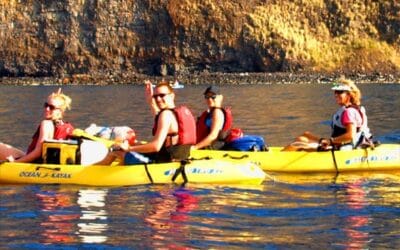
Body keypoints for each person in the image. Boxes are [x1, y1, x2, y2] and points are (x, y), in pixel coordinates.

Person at [97, 80, 196, 165]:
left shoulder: (166, 115)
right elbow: (159, 119)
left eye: (162, 95)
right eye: (155, 96)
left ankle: (91, 172)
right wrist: (151, 101)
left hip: (162, 161)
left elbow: (156, 146)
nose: (158, 99)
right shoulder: (176, 113)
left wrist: (129, 148)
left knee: (115, 151)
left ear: (172, 96)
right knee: (134, 144)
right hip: (178, 157)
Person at [283, 77, 372, 151]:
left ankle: (278, 159)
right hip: (342, 145)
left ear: (349, 95)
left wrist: (330, 141)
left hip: (342, 149)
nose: (336, 94)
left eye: (340, 92)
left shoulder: (348, 112)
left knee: (299, 142)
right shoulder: (353, 109)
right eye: (335, 92)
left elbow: (350, 136)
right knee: (306, 134)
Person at [0, 88, 74, 163]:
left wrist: (15, 162)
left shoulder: (46, 124)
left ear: (61, 110)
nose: (47, 109)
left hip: (32, 163)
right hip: (38, 160)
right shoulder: (68, 127)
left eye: (51, 107)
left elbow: (37, 153)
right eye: (46, 105)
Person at [192, 86, 233, 150]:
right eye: (207, 97)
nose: (209, 99)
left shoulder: (217, 112)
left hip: (210, 149)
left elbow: (214, 136)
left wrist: (195, 147)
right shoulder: (209, 113)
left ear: (221, 97)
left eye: (213, 97)